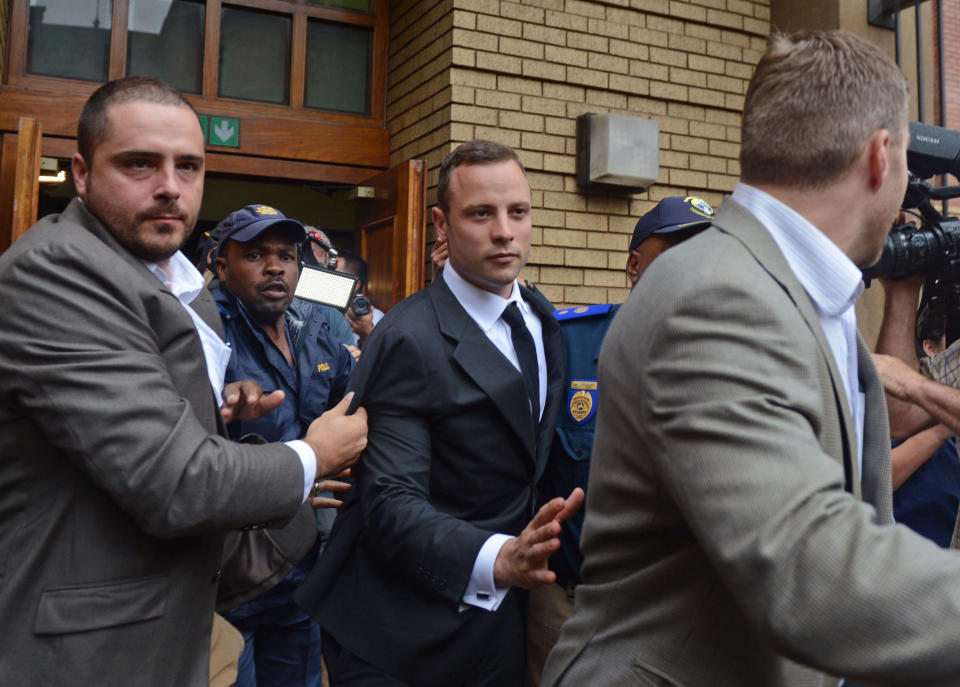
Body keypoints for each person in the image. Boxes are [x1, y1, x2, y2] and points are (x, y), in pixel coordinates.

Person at [543, 30, 960, 687]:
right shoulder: (718, 296)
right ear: (881, 157)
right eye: (909, 160)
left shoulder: (799, 293)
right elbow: (810, 571)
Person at [0, 76, 367, 687]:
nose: (170, 187)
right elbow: (178, 482)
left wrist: (215, 412)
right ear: (82, 173)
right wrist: (314, 455)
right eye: (139, 163)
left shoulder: (168, 280)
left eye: (189, 167)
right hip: (93, 655)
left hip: (190, 612)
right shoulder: (56, 272)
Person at [297, 139, 584, 687]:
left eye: (517, 212)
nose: (504, 231)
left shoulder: (542, 317)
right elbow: (388, 504)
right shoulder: (408, 338)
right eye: (481, 213)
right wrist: (498, 559)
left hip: (499, 623)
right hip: (401, 633)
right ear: (441, 223)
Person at [526, 195, 714, 686]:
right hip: (571, 608)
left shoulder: (732, 361)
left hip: (683, 621)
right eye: (675, 250)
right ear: (634, 265)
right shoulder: (571, 342)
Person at [212, 204, 357, 686]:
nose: (276, 266)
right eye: (255, 254)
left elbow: (360, 395)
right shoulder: (206, 333)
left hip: (302, 573)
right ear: (220, 264)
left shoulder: (313, 327)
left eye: (287, 256)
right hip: (231, 582)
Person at [335, 248, 384, 347]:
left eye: (333, 274)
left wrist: (366, 331)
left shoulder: (374, 317)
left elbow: (380, 357)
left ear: (355, 284)